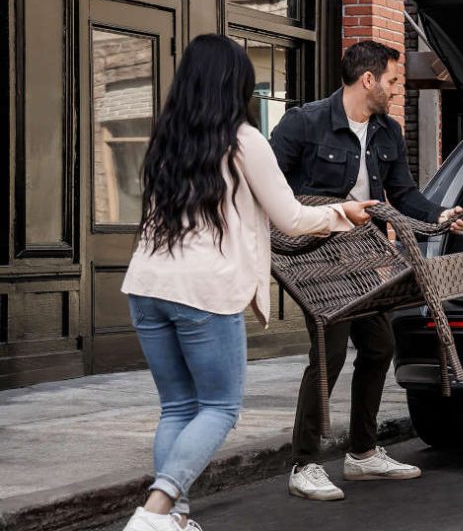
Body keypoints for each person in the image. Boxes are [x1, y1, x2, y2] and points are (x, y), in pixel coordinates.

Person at [119, 34, 377, 531]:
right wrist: (343, 212)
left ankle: (175, 517)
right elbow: (292, 218)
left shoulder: (166, 139)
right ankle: (153, 512)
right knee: (219, 408)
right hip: (204, 291)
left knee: (177, 407)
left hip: (147, 286)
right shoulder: (244, 141)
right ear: (235, 84)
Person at [271, 40, 463, 501]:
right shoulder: (303, 124)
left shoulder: (387, 131)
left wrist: (442, 216)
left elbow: (403, 196)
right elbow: (268, 191)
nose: (397, 89)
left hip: (368, 259)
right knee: (330, 355)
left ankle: (362, 453)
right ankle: (304, 463)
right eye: (393, 81)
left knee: (380, 346)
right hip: (316, 259)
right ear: (368, 80)